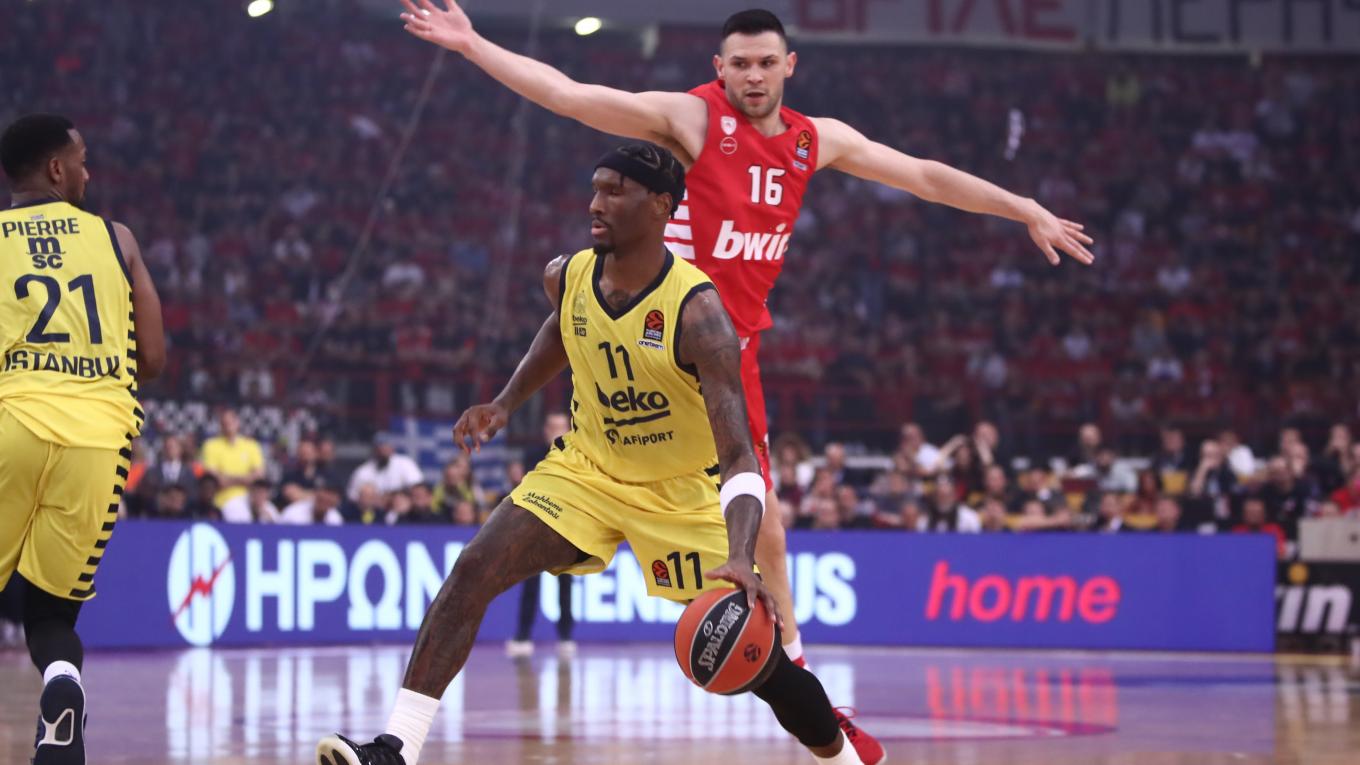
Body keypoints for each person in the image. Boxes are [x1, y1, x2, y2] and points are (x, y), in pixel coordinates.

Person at [400, 7, 1092, 754]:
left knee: (770, 535)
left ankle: (805, 688)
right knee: (739, 524)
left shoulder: (814, 139)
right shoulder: (693, 119)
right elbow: (570, 95)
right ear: (720, 67)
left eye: (766, 63)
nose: (753, 76)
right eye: (740, 64)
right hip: (660, 341)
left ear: (789, 65)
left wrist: (1021, 207)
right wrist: (473, 44)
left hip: (730, 356)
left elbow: (922, 175)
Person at [317, 144, 871, 765]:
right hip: (588, 469)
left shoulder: (699, 313)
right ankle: (395, 748)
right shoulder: (567, 274)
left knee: (760, 661)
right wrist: (506, 401)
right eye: (594, 189)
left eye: (613, 191)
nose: (594, 204)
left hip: (680, 492)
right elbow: (564, 325)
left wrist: (741, 555)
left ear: (660, 206)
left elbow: (740, 456)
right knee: (475, 568)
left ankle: (844, 758)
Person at [0, 113, 166, 765]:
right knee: (51, 614)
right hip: (99, 437)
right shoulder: (116, 238)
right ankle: (62, 688)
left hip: (13, 420)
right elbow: (152, 358)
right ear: (56, 168)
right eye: (82, 159)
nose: (88, 172)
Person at [506, 412, 576, 659]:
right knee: (530, 583)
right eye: (552, 427)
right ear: (545, 430)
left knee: (565, 584)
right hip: (536, 528)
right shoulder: (533, 455)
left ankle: (566, 636)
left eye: (561, 427)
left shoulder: (577, 455)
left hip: (567, 528)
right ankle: (523, 635)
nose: (556, 431)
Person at [199, 408, 265, 509]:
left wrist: (228, 479)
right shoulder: (211, 445)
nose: (228, 426)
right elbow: (216, 480)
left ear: (237, 422)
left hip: (249, 502)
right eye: (224, 423)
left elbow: (259, 476)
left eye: (230, 422)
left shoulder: (251, 445)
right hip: (222, 502)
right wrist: (245, 479)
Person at [347, 433, 424, 503]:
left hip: (401, 508)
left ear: (392, 448)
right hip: (374, 509)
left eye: (386, 447)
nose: (383, 451)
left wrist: (393, 496)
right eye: (380, 448)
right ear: (375, 450)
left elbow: (418, 488)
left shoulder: (405, 463)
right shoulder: (363, 471)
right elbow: (352, 496)